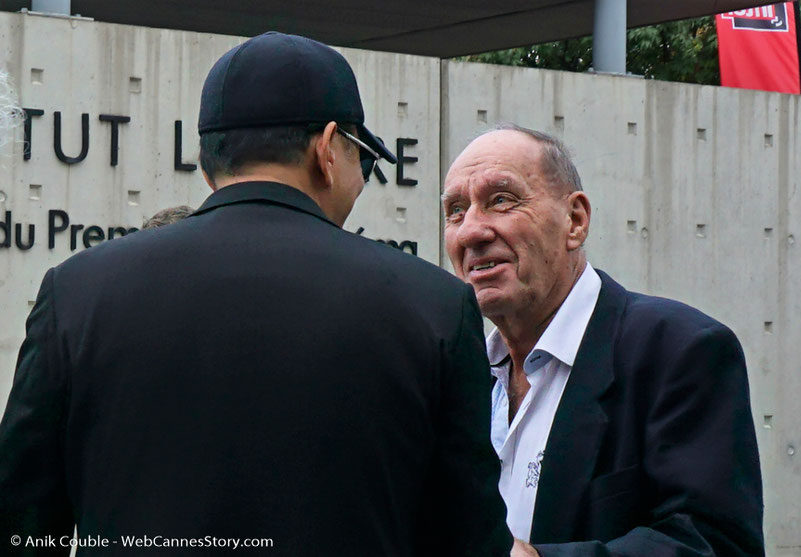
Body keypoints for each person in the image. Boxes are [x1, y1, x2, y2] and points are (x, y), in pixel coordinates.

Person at [0, 32, 513, 556]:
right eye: (364, 159)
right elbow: (470, 543)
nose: (362, 180)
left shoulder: (76, 293)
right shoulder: (433, 307)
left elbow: (20, 526)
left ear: (206, 165)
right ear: (327, 150)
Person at [442, 124, 764, 556]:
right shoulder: (456, 375)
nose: (471, 232)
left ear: (575, 221)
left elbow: (716, 544)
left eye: (501, 200)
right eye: (456, 211)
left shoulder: (680, 350)